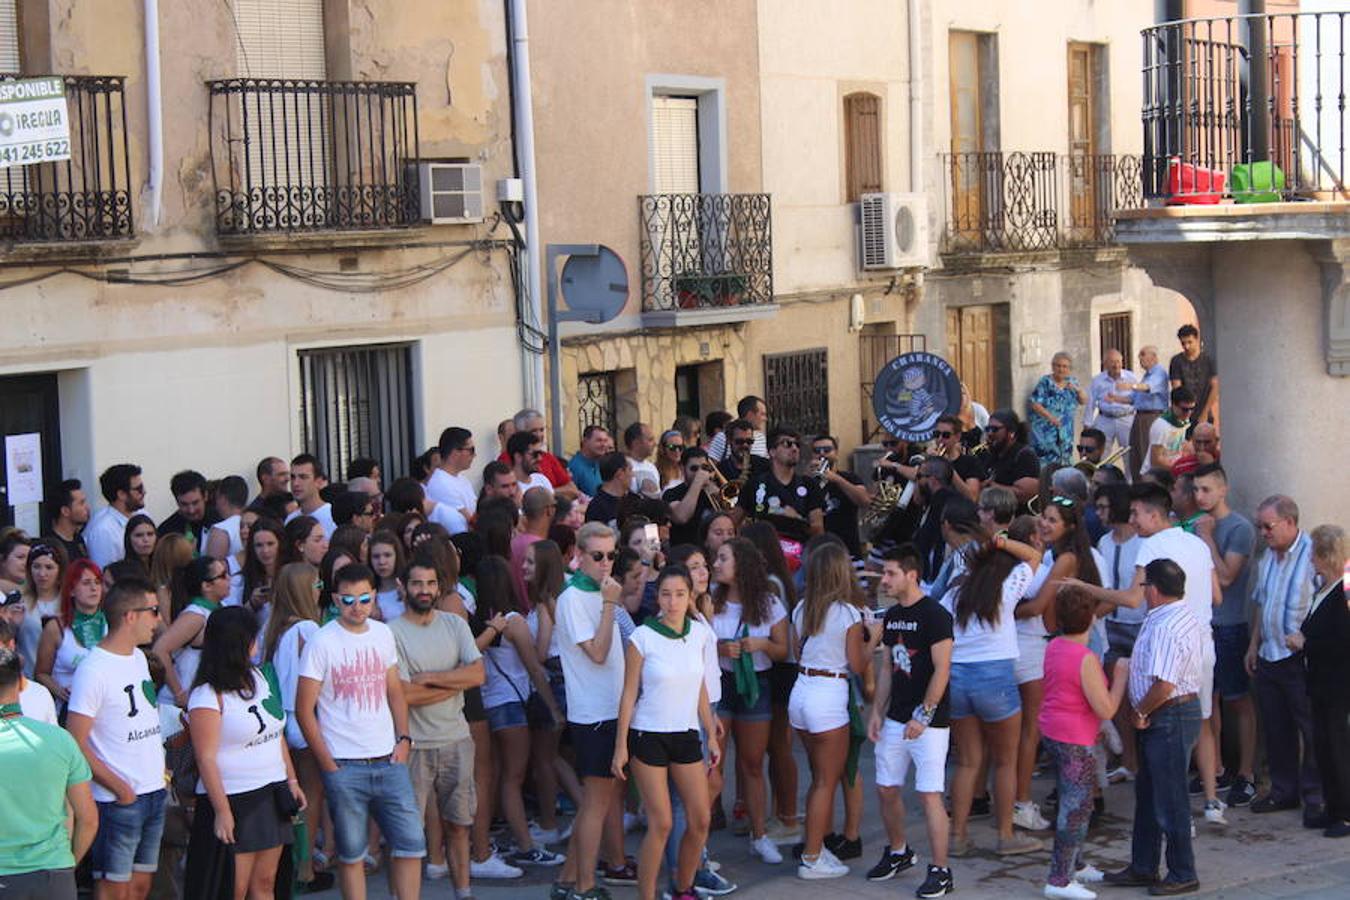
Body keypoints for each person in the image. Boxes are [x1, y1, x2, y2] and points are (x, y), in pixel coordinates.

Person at [1065, 483, 1224, 826]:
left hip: (1169, 646)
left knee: (1167, 736)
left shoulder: (1152, 545)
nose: (1132, 519)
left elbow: (1132, 599)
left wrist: (1082, 587)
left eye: (1136, 513)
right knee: (1202, 724)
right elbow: (1216, 597)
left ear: (1154, 514)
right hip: (1202, 645)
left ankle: (1179, 817)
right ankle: (1212, 801)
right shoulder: (1196, 544)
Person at [295, 562, 425, 900]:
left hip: (388, 757)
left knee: (411, 845)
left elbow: (394, 690)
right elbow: (303, 708)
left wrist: (404, 739)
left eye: (365, 599)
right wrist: (327, 763)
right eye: (349, 600)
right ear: (336, 600)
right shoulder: (321, 642)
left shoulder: (383, 634)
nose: (358, 607)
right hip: (344, 763)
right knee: (351, 854)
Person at [612, 564, 720, 900]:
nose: (672, 602)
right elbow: (629, 693)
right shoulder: (642, 637)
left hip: (686, 734)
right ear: (656, 596)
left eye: (679, 594)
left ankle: (682, 887)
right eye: (665, 594)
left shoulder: (700, 634)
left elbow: (699, 684)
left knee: (701, 819)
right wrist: (621, 747)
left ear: (690, 597)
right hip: (648, 735)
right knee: (661, 823)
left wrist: (711, 733)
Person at [183, 605, 305, 900]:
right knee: (231, 889)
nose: (258, 643)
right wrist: (222, 812)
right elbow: (206, 757)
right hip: (235, 799)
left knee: (265, 884)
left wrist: (291, 781)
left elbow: (275, 735)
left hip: (271, 793)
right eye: (253, 637)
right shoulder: (207, 695)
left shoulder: (258, 678)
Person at [1103, 559, 1205, 895]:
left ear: (1155, 589)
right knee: (1149, 794)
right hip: (1171, 713)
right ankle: (1144, 866)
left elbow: (1163, 684)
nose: (1141, 591)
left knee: (1170, 797)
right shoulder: (1176, 614)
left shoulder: (1165, 624)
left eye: (1144, 586)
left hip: (1167, 714)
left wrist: (1140, 711)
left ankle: (1182, 871)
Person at [944, 524, 1044, 857]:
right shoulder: (1007, 588)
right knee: (1005, 761)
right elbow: (1034, 555)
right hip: (995, 677)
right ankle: (1005, 835)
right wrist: (1004, 542)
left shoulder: (957, 592)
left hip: (958, 678)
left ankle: (957, 836)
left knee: (968, 762)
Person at [65, 575, 167, 900]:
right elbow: (74, 742)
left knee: (140, 887)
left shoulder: (138, 658)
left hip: (153, 791)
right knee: (113, 890)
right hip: (118, 799)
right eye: (153, 611)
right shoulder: (94, 670)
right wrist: (120, 788)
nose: (160, 619)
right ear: (130, 616)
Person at [390, 553, 486, 898]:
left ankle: (464, 892)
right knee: (409, 836)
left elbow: (478, 674)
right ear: (403, 587)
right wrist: (454, 682)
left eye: (431, 583)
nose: (425, 590)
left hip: (457, 740)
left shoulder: (455, 624)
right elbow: (403, 695)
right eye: (417, 583)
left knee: (460, 826)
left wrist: (430, 678)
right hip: (413, 746)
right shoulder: (392, 632)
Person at [1010, 497, 1103, 833]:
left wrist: (1000, 610)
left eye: (1052, 520)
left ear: (1070, 527)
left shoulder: (1064, 559)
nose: (1044, 525)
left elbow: (1037, 608)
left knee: (1034, 730)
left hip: (1039, 645)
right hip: (1036, 646)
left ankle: (1024, 801)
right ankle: (1024, 800)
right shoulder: (1055, 556)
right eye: (1043, 518)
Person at [868, 544, 955, 897]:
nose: (884, 580)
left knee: (929, 794)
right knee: (886, 788)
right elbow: (887, 667)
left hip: (929, 723)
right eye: (884, 573)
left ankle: (941, 870)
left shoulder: (935, 615)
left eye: (890, 574)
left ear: (911, 574)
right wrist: (876, 711)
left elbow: (942, 669)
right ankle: (899, 851)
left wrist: (924, 714)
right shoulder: (891, 616)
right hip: (895, 716)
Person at [788, 542, 876, 879]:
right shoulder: (848, 614)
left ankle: (814, 845)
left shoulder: (801, 609)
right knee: (827, 780)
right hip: (828, 695)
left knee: (818, 778)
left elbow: (799, 653)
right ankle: (812, 857)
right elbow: (856, 663)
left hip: (802, 692)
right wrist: (873, 640)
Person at [1039, 587, 1129, 900]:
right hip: (1075, 738)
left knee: (1076, 802)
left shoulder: (1054, 647)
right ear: (1091, 618)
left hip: (1054, 731)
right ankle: (1059, 879)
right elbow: (1106, 708)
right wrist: (1120, 677)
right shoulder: (1085, 658)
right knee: (1075, 808)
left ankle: (1075, 865)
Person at [553, 522, 627, 900]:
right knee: (595, 804)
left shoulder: (601, 591)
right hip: (593, 714)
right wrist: (611, 603)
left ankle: (568, 880)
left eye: (611, 555)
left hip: (612, 708)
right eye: (598, 556)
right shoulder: (572, 598)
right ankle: (584, 886)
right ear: (579, 556)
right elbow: (597, 653)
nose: (606, 563)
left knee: (596, 803)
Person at [476, 556, 565, 866]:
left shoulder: (481, 620)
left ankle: (498, 840)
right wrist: (553, 707)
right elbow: (534, 669)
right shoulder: (512, 620)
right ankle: (527, 846)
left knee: (499, 775)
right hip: (511, 706)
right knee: (513, 779)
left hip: (489, 704)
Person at [710, 537, 789, 865]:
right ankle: (698, 842)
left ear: (741, 563)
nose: (716, 563)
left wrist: (761, 645)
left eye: (722, 558)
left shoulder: (769, 603)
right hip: (721, 683)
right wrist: (718, 649)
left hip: (756, 683)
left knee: (753, 764)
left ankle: (760, 835)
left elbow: (783, 650)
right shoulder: (709, 602)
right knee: (713, 763)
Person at [1244, 495, 1323, 824]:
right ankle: (1283, 789)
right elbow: (1263, 603)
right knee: (1276, 727)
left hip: (1299, 657)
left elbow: (1330, 600)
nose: (1263, 532)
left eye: (1268, 526)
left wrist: (1309, 638)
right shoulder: (1267, 558)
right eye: (1259, 526)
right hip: (1269, 653)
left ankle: (1316, 795)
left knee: (1312, 728)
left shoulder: (1314, 555)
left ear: (1290, 523)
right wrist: (1253, 644)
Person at [0, 646, 98, 899]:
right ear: (22, 684)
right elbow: (88, 819)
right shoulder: (60, 740)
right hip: (55, 877)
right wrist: (66, 865)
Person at [260, 562, 333, 892]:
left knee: (292, 794)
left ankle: (292, 863)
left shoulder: (272, 629)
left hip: (282, 719)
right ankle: (304, 869)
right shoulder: (308, 629)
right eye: (316, 585)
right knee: (310, 795)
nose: (320, 591)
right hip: (306, 720)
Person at [1190, 464, 1257, 806]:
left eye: (1205, 489)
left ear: (1222, 490)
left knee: (1237, 700)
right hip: (1204, 625)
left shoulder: (1239, 528)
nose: (1199, 496)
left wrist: (1206, 538)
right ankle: (1214, 769)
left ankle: (1247, 773)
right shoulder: (1197, 524)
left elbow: (1228, 577)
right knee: (1208, 702)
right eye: (1195, 489)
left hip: (1230, 624)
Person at [1296, 525, 1350, 838]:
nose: (1311, 559)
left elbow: (1342, 638)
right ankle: (1332, 806)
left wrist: (1305, 643)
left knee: (1337, 745)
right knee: (1323, 745)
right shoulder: (1323, 588)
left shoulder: (1344, 590)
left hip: (1338, 682)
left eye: (1315, 553)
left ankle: (1345, 811)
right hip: (1320, 681)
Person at [1096, 484, 1144, 783]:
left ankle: (1142, 760)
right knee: (1118, 697)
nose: (1099, 512)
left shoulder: (1142, 543)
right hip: (1110, 626)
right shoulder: (1104, 542)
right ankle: (1128, 760)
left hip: (1138, 624)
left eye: (1104, 506)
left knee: (1142, 696)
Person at [152, 556, 231, 708]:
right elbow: (160, 650)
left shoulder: (220, 607)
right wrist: (179, 693)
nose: (229, 578)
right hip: (180, 705)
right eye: (222, 576)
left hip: (203, 699)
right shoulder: (195, 615)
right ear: (206, 586)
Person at [34, 559, 105, 713]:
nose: (94, 588)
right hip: (70, 709)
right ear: (71, 590)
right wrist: (60, 691)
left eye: (97, 582)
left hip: (106, 707)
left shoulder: (113, 623)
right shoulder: (55, 628)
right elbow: (40, 673)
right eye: (86, 583)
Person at [734, 428, 825, 542]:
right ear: (772, 451)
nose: (794, 448)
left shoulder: (809, 485)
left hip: (798, 553)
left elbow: (818, 530)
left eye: (797, 445)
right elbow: (733, 522)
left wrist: (797, 520)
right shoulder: (754, 484)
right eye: (787, 444)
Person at [810, 435, 870, 561]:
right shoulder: (807, 481)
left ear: (836, 453)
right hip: (819, 554)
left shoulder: (850, 478)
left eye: (827, 450)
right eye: (817, 451)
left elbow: (864, 501)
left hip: (848, 552)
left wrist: (836, 479)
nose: (822, 454)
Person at [499, 409, 579, 500]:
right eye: (534, 431)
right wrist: (547, 493)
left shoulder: (548, 457)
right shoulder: (506, 458)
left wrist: (543, 493)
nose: (539, 435)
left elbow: (573, 490)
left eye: (541, 430)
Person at [1028, 352, 1089, 466]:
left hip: (1065, 431)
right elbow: (1035, 404)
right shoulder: (1045, 382)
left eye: (1065, 366)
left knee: (1065, 461)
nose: (1061, 369)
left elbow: (1084, 401)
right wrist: (1051, 418)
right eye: (1058, 366)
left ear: (1070, 369)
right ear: (1053, 367)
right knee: (1046, 463)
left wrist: (1077, 390)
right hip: (1046, 432)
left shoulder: (1072, 382)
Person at [85, 463, 145, 568]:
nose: (144, 492)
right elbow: (105, 575)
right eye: (139, 489)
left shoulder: (141, 514)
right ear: (121, 494)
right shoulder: (103, 531)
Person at [981, 410, 1041, 507]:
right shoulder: (991, 455)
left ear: (1011, 432)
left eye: (995, 429)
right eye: (987, 429)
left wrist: (991, 486)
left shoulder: (1025, 455)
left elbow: (1025, 494)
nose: (990, 433)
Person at [1126, 346, 1169, 477]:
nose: (1140, 358)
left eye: (1143, 354)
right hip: (1139, 417)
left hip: (1151, 417)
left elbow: (1147, 387)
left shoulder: (1159, 373)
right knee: (1136, 454)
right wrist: (1113, 398)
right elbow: (1133, 399)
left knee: (1146, 453)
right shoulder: (1146, 375)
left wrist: (1130, 386)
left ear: (1154, 357)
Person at [664, 448, 719, 548]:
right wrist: (698, 481)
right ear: (682, 468)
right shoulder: (671, 494)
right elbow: (681, 517)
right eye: (694, 468)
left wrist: (714, 489)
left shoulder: (713, 492)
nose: (700, 473)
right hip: (683, 553)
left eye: (704, 467)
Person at [1088, 349, 1136, 460]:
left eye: (1118, 361)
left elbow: (1138, 398)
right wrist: (1088, 423)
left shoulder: (1131, 378)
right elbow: (1091, 402)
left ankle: (1130, 478)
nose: (1116, 365)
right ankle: (1100, 476)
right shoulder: (1097, 380)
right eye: (1112, 362)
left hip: (1126, 418)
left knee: (1130, 454)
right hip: (1105, 419)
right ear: (1105, 364)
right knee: (1100, 453)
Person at [1169, 324, 1219, 431]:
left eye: (1189, 342)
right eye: (1183, 343)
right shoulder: (1177, 361)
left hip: (1204, 412)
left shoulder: (1208, 360)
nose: (1186, 346)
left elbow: (1215, 387)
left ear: (1197, 339)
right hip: (1184, 415)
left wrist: (1205, 413)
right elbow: (1177, 388)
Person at [428, 426, 480, 519]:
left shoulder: (462, 479)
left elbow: (476, 511)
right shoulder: (441, 484)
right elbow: (470, 521)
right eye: (471, 450)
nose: (474, 455)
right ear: (455, 452)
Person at [930, 415, 985, 502]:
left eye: (946, 435)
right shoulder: (930, 460)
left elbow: (972, 497)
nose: (940, 439)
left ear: (957, 437)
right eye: (936, 434)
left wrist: (947, 466)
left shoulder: (970, 462)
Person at [1144, 388, 1195, 476]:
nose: (1189, 413)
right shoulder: (1161, 426)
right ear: (1174, 405)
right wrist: (1180, 469)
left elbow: (1177, 443)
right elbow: (1155, 460)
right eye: (1185, 409)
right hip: (1157, 475)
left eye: (1192, 408)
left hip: (1172, 469)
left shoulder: (1183, 420)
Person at [157, 470, 211, 548]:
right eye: (184, 504)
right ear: (176, 501)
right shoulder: (167, 531)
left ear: (205, 496)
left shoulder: (220, 520)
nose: (191, 510)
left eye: (195, 503)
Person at [706, 396, 770, 462]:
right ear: (750, 414)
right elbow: (712, 465)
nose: (765, 419)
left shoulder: (761, 438)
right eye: (762, 414)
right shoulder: (722, 437)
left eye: (750, 441)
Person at [288, 455, 337, 539]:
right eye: (292, 477)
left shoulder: (333, 517)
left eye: (303, 477)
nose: (295, 483)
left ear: (318, 482)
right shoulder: (290, 519)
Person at [46, 478, 91, 563]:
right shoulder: (51, 546)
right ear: (65, 511)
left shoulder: (78, 539)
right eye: (81, 503)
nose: (87, 507)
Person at [584, 452, 631, 529]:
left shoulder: (633, 500)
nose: (633, 474)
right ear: (620, 474)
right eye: (630, 470)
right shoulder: (597, 508)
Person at [508, 431, 557, 497]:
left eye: (540, 453)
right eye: (535, 454)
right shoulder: (510, 489)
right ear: (518, 457)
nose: (540, 458)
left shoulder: (542, 479)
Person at [569, 425, 613, 497]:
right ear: (585, 441)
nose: (604, 445)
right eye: (599, 440)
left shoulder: (598, 463)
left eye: (605, 441)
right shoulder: (575, 467)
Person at [624, 422, 661, 497]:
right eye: (650, 440)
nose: (655, 444)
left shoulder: (652, 467)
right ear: (636, 442)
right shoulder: (623, 466)